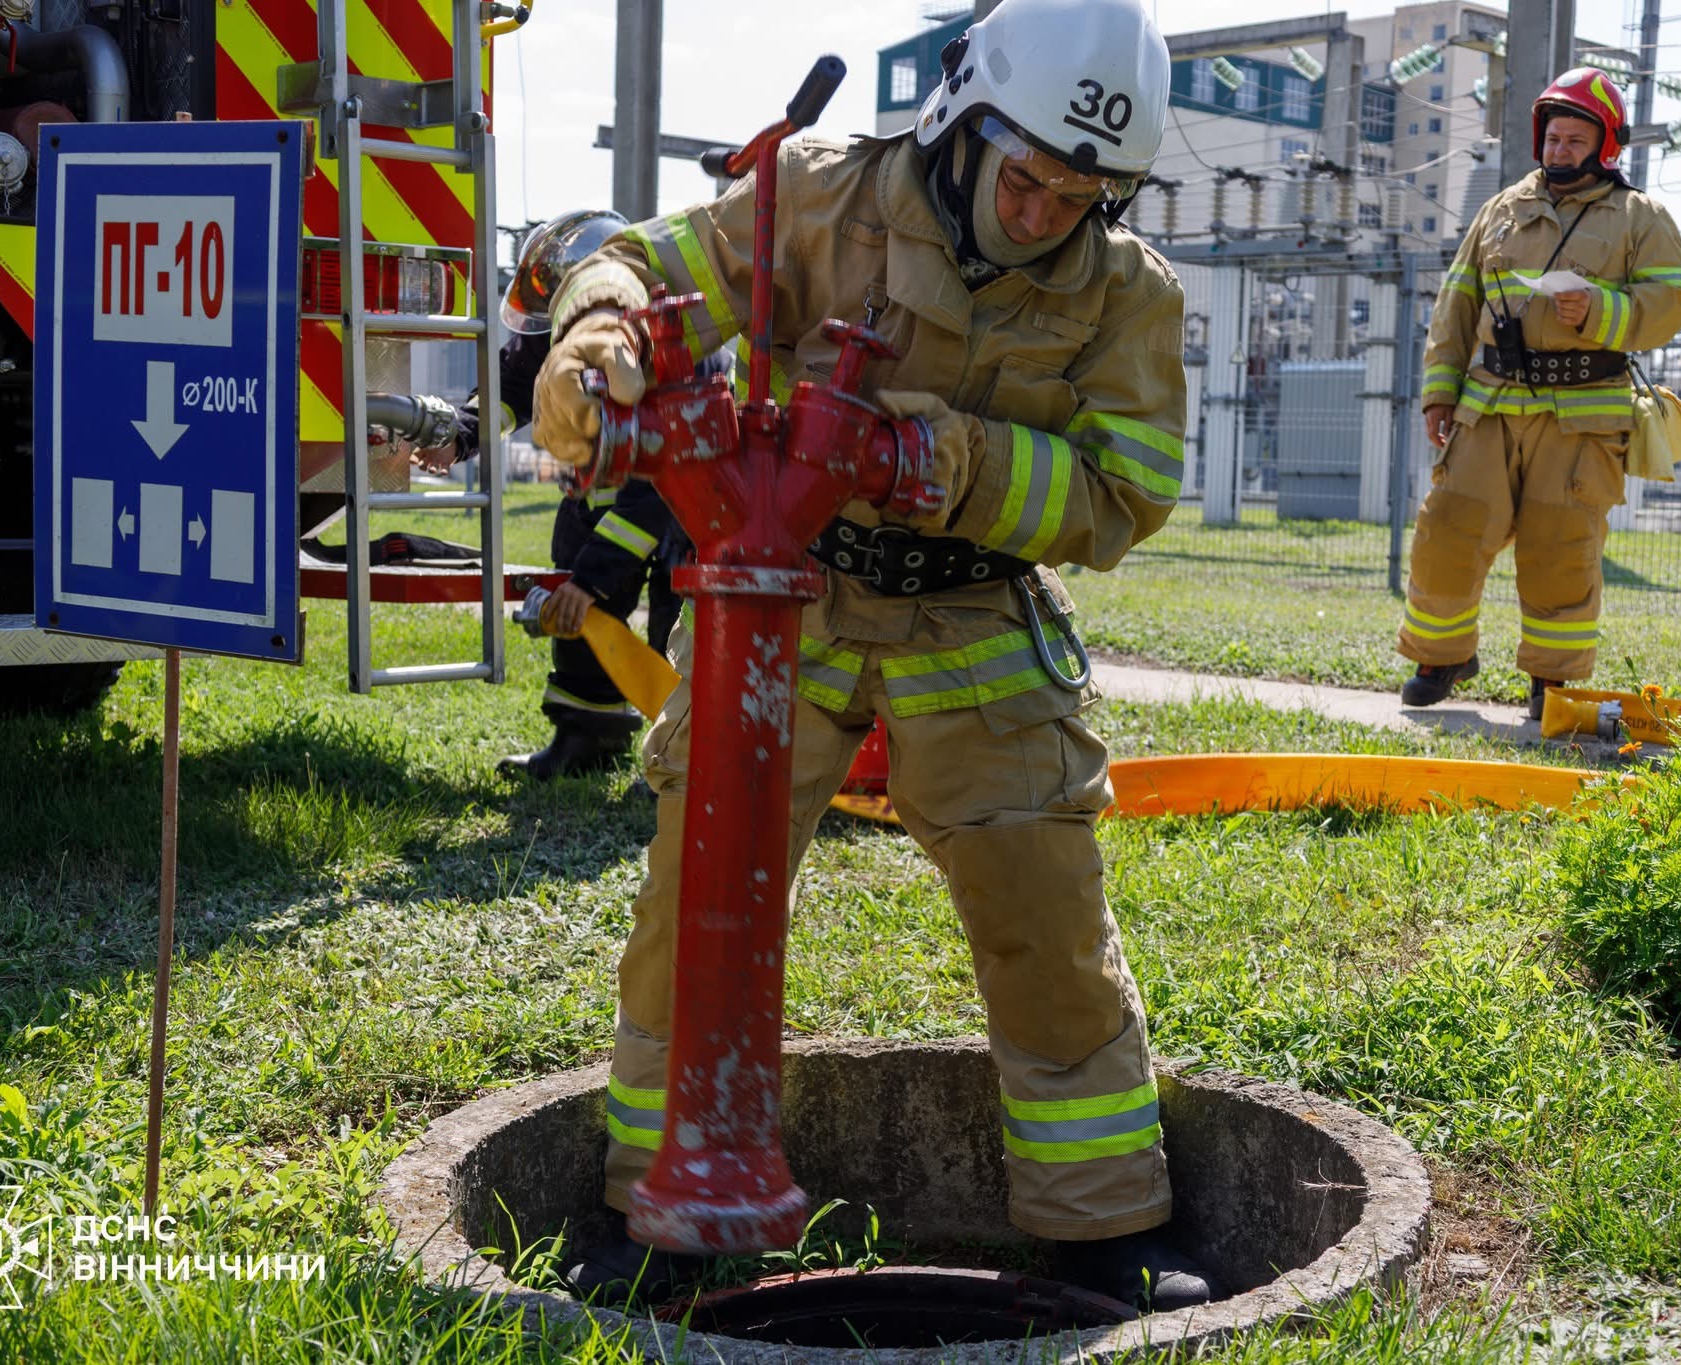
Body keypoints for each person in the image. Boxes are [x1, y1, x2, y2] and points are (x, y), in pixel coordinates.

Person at [531, 0, 1210, 1312]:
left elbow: (1126, 492)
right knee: (697, 900)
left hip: (978, 621)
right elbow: (656, 265)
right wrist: (598, 338)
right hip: (796, 608)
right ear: (964, 126)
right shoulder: (823, 199)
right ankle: (657, 1209)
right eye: (1025, 176)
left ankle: (1099, 1222)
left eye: (1081, 193)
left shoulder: (1127, 293)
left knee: (1044, 916)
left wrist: (932, 462)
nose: (1043, 212)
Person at [1399, 67, 1681, 720]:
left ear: (1604, 145)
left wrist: (1598, 309)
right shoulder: (1500, 209)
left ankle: (1551, 682)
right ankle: (1441, 655)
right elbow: (1457, 302)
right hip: (1490, 404)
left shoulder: (1640, 217)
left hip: (1583, 418)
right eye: (1553, 138)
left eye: (1574, 140)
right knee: (1447, 528)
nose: (1560, 150)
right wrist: (1439, 395)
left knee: (1561, 546)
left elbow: (1670, 302)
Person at [451, 210, 694, 779]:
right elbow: (513, 382)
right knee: (579, 608)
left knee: (675, 627)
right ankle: (590, 734)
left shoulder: (662, 337)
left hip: (679, 503)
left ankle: (684, 763)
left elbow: (652, 490)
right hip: (601, 494)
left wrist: (592, 582)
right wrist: (459, 434)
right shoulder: (570, 328)